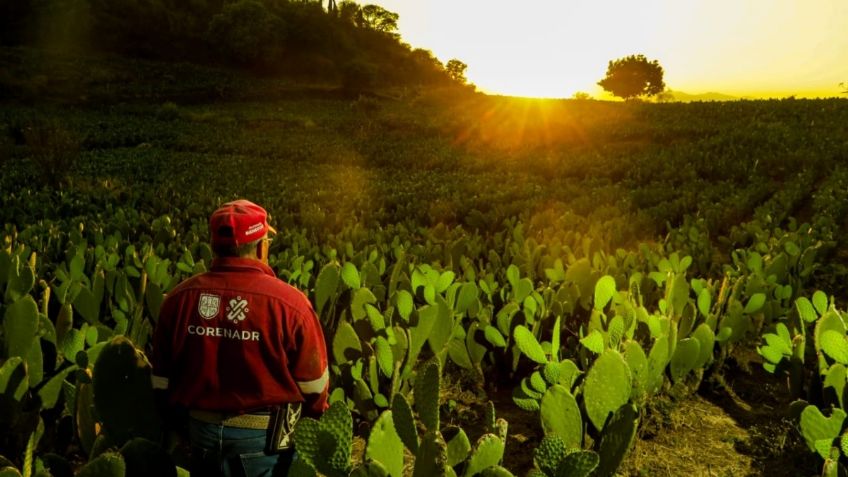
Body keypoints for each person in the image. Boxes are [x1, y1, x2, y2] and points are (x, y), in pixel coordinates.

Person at [151, 199, 329, 477]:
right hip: (265, 440)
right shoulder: (290, 304)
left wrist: (178, 427)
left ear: (213, 245)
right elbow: (315, 385)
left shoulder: (178, 299)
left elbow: (161, 380)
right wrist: (309, 427)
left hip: (200, 433)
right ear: (261, 247)